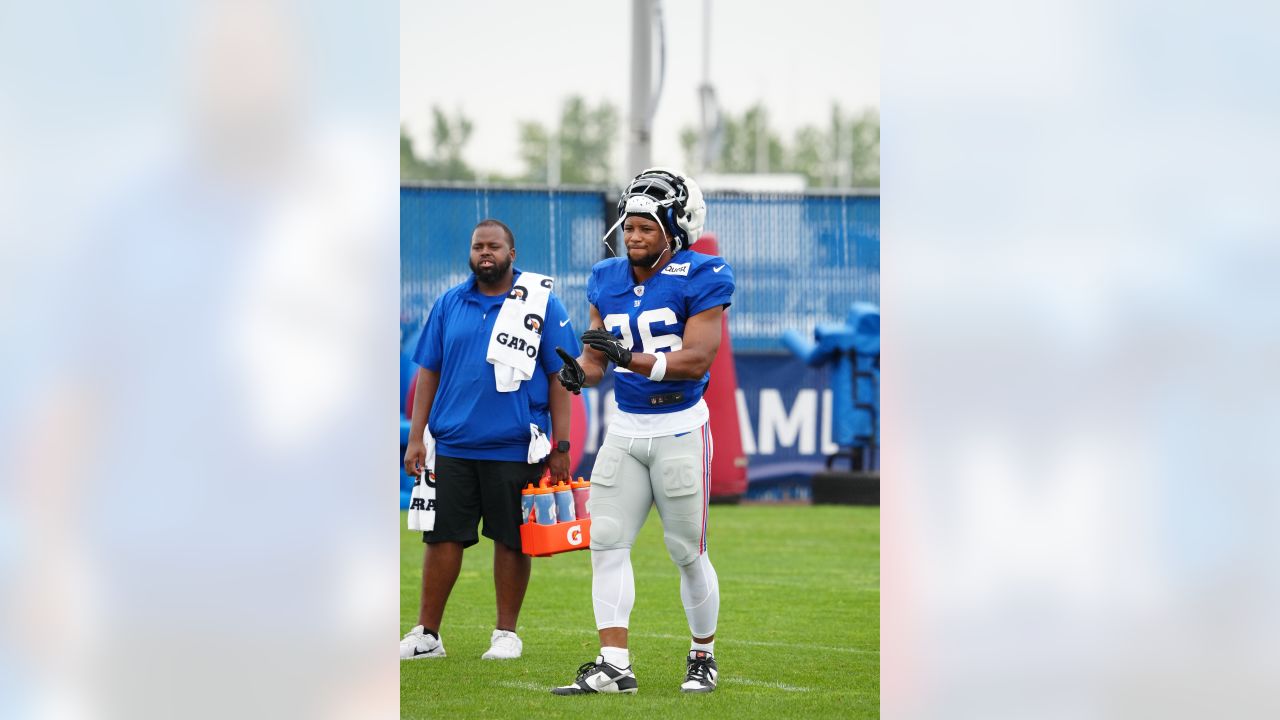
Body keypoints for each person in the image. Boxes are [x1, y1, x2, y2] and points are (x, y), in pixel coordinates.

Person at [551, 168, 733, 695]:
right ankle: (613, 664)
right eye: (629, 226)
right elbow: (594, 361)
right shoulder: (605, 277)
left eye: (646, 227)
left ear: (675, 229)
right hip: (625, 430)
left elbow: (698, 358)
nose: (633, 236)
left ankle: (703, 655)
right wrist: (575, 375)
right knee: (605, 542)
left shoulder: (703, 272)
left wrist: (626, 357)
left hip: (679, 427)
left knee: (686, 551)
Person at [400, 218, 578, 661]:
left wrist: (562, 446)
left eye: (494, 246)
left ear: (511, 254)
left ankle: (506, 634)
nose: (485, 252)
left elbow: (562, 377)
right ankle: (427, 635)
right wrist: (416, 437)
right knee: (441, 539)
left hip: (515, 446)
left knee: (512, 538)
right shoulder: (448, 303)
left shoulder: (541, 303)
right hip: (454, 446)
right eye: (478, 245)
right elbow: (429, 372)